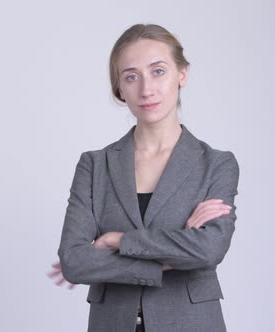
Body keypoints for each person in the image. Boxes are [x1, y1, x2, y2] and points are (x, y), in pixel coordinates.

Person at [48, 24, 240, 332]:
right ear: (120, 90)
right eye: (131, 76)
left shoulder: (216, 164)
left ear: (182, 74)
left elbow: (208, 250)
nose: (146, 89)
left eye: (158, 71)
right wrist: (171, 256)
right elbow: (74, 261)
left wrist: (119, 240)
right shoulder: (95, 165)